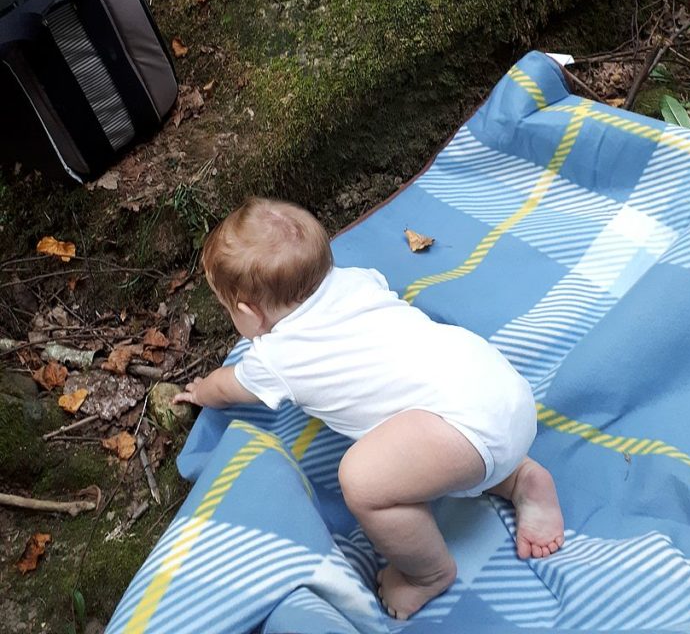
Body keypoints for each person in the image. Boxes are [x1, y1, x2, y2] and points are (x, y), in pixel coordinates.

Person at [174, 197, 564, 620]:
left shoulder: (275, 358)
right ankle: (520, 478)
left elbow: (229, 387)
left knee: (362, 482)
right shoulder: (358, 280)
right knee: (445, 427)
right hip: (500, 386)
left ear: (250, 314)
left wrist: (200, 391)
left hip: (469, 432)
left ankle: (427, 574)